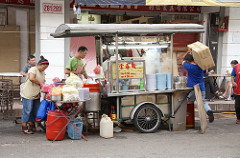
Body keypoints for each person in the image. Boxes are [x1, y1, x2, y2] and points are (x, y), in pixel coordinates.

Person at [182, 53, 214, 123]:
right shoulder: (201, 66)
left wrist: (188, 52)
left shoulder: (190, 66)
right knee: (203, 102)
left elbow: (183, 61)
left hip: (192, 88)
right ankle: (209, 111)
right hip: (201, 87)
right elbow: (206, 73)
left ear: (188, 61)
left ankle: (186, 118)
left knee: (188, 101)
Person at [21, 57, 49, 134]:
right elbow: (31, 78)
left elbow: (42, 81)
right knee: (27, 111)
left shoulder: (42, 73)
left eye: (45, 68)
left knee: (34, 111)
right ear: (40, 64)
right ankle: (24, 127)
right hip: (28, 94)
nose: (44, 69)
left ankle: (32, 126)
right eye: (43, 67)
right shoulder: (33, 69)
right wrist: (40, 83)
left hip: (36, 94)